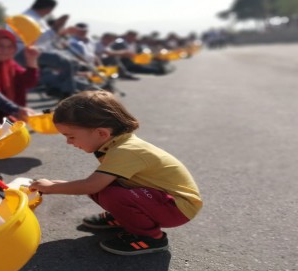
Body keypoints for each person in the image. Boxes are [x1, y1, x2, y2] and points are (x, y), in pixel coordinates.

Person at [29, 90, 202, 255]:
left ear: (102, 133)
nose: (68, 142)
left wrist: (51, 187)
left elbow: (90, 185)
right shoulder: (116, 144)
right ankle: (125, 218)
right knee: (103, 186)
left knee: (105, 190)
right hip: (162, 200)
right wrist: (50, 185)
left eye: (71, 136)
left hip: (178, 209)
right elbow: (91, 184)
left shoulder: (126, 150)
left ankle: (152, 238)